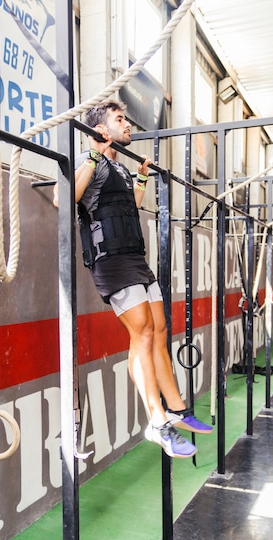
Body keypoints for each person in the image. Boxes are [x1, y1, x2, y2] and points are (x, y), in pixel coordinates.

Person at [55, 100, 213, 459]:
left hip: (135, 258)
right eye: (120, 120)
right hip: (110, 261)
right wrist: (94, 154)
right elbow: (61, 200)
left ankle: (176, 407)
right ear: (102, 129)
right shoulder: (87, 158)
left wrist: (141, 177)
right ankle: (157, 422)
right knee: (141, 332)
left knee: (158, 329)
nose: (128, 126)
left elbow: (131, 204)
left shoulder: (120, 168)